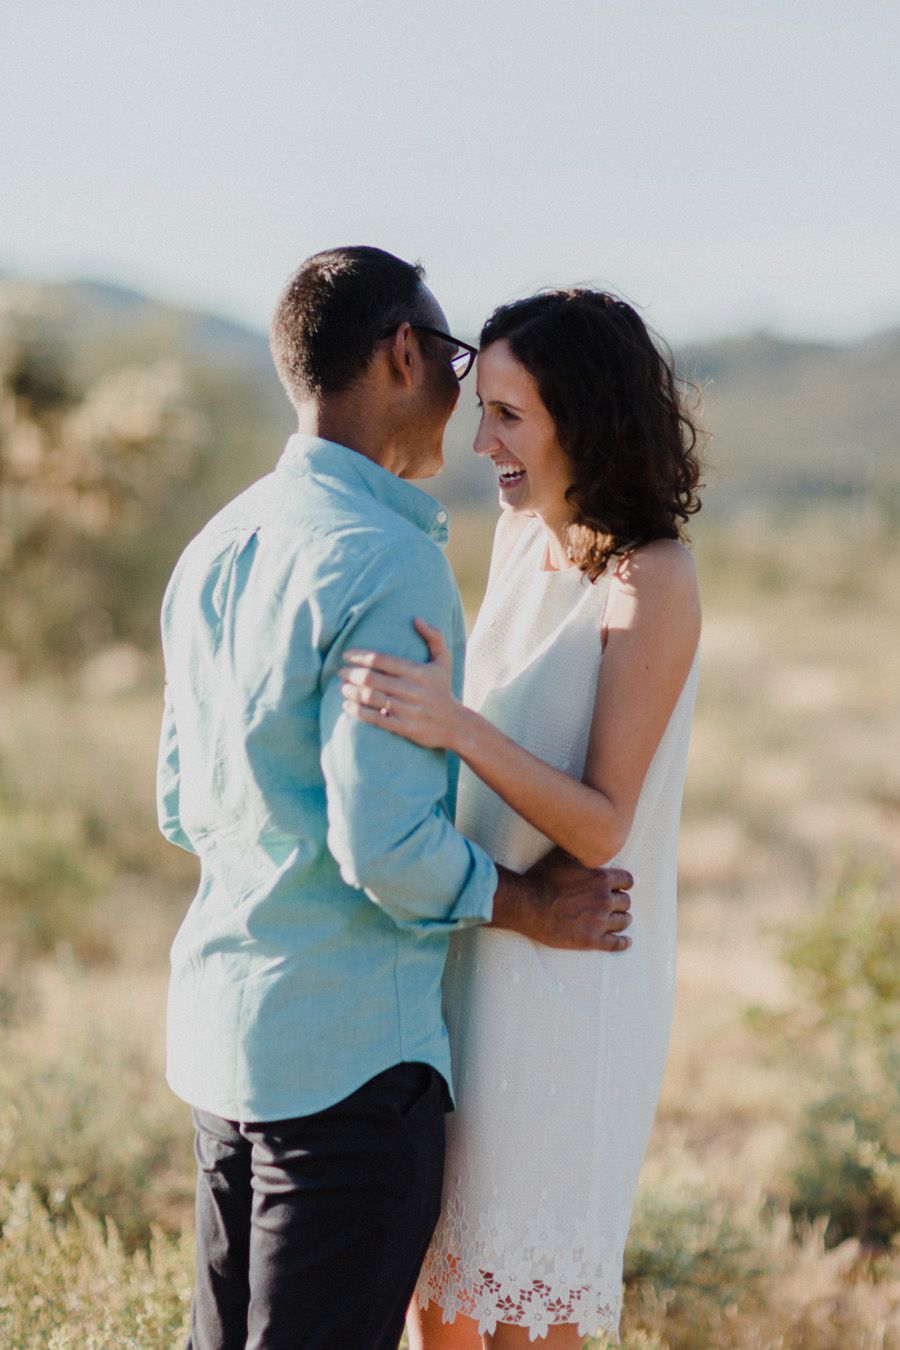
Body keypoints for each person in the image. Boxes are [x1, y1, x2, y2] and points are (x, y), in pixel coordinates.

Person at [156, 249, 634, 1350]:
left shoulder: (215, 546)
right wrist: (529, 904)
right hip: (349, 1069)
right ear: (404, 353)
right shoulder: (385, 560)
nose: (466, 404)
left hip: (222, 1046)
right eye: (457, 362)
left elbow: (180, 803)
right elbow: (383, 847)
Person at [339, 288, 704, 1348]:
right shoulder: (513, 540)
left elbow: (601, 824)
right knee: (438, 1311)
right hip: (468, 969)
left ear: (583, 417)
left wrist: (453, 726)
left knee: (524, 1320)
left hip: (571, 990)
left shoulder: (653, 577)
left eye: (509, 415)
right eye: (482, 410)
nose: (481, 442)